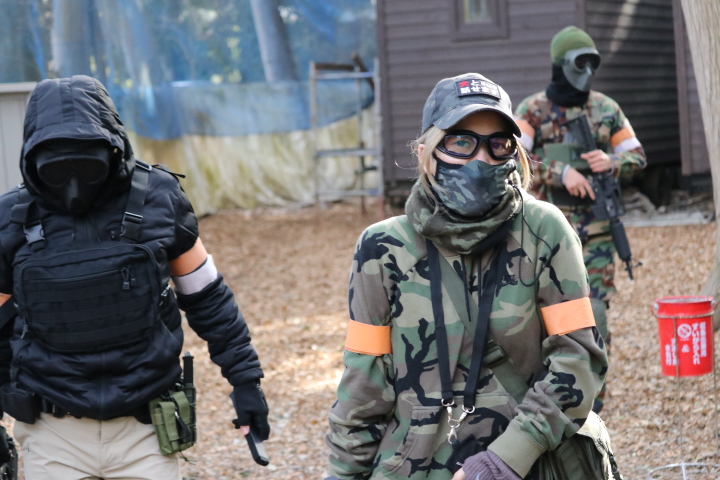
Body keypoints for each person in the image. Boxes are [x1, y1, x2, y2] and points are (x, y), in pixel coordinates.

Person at [324, 72, 609, 480]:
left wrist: (505, 459)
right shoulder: (381, 248)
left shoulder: (545, 231)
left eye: (498, 144)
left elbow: (579, 359)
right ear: (426, 150)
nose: (482, 160)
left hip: (525, 468)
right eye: (461, 141)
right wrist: (343, 473)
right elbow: (363, 384)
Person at [0, 75, 270, 479]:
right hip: (53, 431)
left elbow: (208, 297)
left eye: (87, 167)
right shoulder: (11, 218)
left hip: (145, 430)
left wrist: (246, 381)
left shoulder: (159, 196)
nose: (74, 185)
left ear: (114, 149)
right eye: (57, 169)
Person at [514, 25, 647, 413]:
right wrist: (561, 172)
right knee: (541, 313)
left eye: (593, 63)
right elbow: (511, 158)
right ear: (561, 64)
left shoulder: (606, 109)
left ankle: (592, 403)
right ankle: (544, 395)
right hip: (545, 232)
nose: (587, 71)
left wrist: (613, 161)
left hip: (598, 231)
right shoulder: (533, 110)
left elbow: (637, 155)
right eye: (580, 62)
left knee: (595, 312)